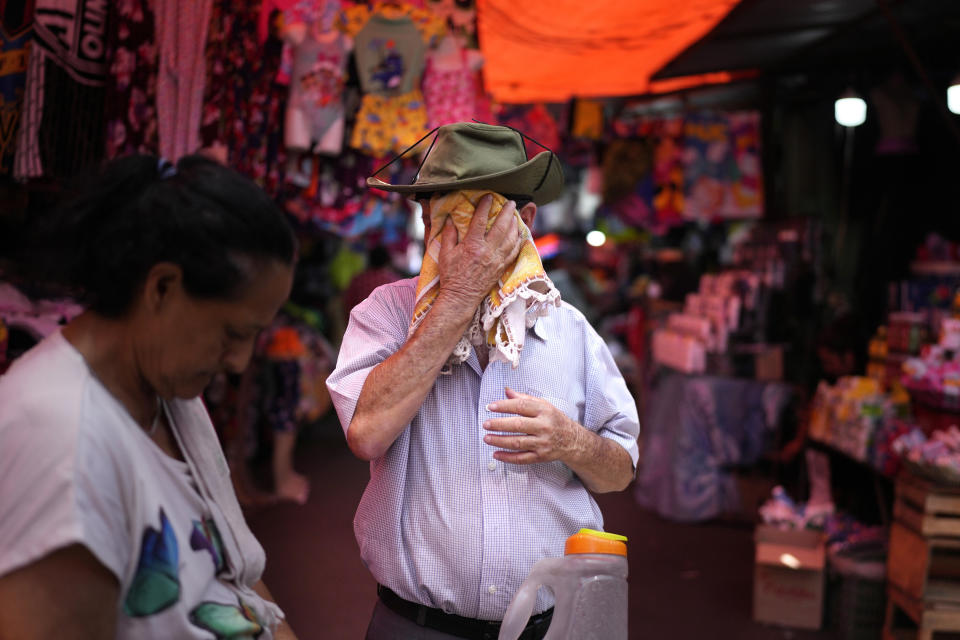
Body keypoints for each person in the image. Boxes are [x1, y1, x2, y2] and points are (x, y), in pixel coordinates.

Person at [327, 122, 640, 639]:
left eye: (479, 219)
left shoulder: (571, 331)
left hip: (550, 627)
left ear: (526, 221)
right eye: (442, 218)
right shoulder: (383, 313)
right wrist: (459, 294)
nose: (457, 240)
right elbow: (367, 433)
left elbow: (619, 472)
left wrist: (570, 441)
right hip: (415, 626)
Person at [0, 154, 299, 639]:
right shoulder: (57, 441)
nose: (240, 361)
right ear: (162, 288)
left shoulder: (170, 396)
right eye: (233, 332)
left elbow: (237, 579)